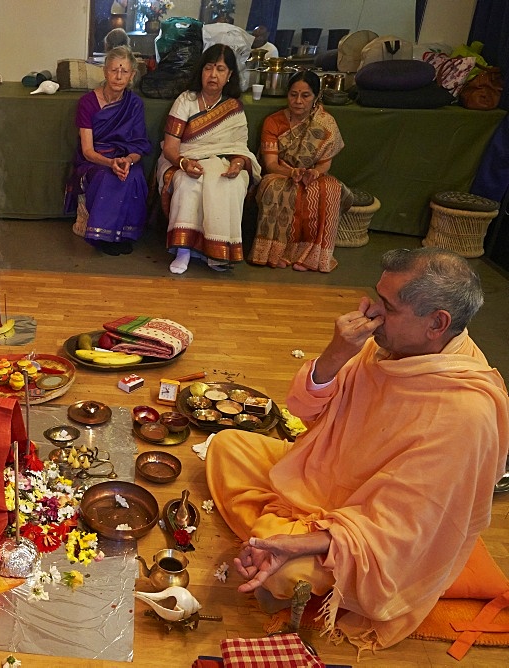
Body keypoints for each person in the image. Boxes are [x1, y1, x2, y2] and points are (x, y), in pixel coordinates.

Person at [206, 247, 509, 651]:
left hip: (371, 529)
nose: (370, 313)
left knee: (282, 573)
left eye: (387, 306)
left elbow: (401, 530)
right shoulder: (390, 345)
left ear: (437, 323)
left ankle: (279, 540)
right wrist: (336, 354)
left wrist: (311, 540)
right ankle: (276, 536)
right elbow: (305, 411)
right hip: (324, 478)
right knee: (227, 446)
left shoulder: (464, 412)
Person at [156, 43, 259, 273]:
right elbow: (171, 147)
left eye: (221, 69)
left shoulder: (234, 107)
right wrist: (184, 163)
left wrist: (238, 163)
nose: (213, 75)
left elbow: (239, 148)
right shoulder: (186, 100)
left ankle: (218, 252)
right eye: (209, 68)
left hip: (222, 162)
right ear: (201, 71)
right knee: (188, 183)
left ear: (230, 75)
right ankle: (183, 250)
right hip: (184, 159)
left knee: (229, 183)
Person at [249, 71, 349, 272]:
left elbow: (324, 162)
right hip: (280, 171)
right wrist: (292, 173)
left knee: (328, 190)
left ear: (316, 97)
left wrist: (315, 173)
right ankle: (276, 253)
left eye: (305, 96)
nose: (298, 101)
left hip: (311, 173)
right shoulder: (274, 122)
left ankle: (311, 257)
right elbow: (270, 163)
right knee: (278, 189)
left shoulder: (325, 124)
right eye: (293, 94)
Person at [64, 46, 151, 256]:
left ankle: (123, 234)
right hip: (95, 160)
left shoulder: (134, 104)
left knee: (135, 175)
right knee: (107, 176)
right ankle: (102, 236)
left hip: (124, 157)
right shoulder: (88, 102)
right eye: (113, 70)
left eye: (124, 72)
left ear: (131, 75)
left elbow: (139, 144)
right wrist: (111, 163)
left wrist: (127, 161)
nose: (118, 76)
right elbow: (87, 150)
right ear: (105, 71)